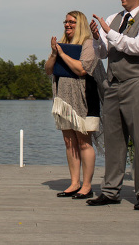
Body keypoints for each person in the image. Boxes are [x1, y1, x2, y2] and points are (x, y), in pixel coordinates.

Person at [87, 0, 139, 210]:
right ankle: (110, 190)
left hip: (136, 82)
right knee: (114, 141)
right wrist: (97, 38)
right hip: (113, 84)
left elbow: (138, 47)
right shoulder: (112, 18)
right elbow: (103, 53)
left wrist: (110, 32)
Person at [44, 11, 103, 200]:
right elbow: (48, 70)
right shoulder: (61, 44)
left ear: (81, 24)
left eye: (72, 22)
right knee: (69, 142)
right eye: (66, 21)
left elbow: (82, 69)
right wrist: (55, 54)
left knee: (84, 142)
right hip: (64, 101)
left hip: (84, 99)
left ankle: (87, 186)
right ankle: (74, 183)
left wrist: (62, 54)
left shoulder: (89, 44)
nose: (67, 25)